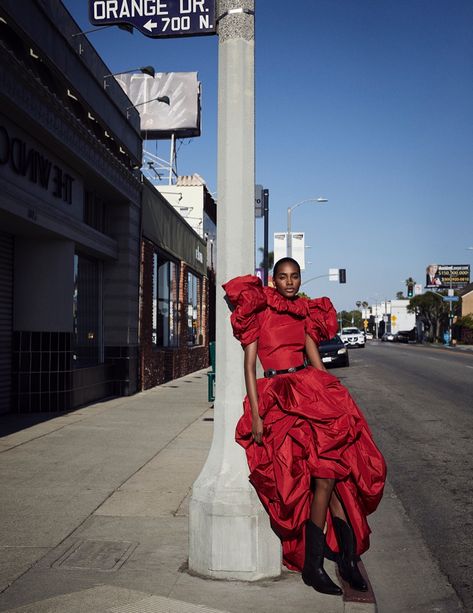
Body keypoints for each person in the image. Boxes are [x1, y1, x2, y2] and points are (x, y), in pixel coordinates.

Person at [223, 258, 386, 596]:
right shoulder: (259, 310)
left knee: (334, 476)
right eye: (283, 277)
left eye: (294, 276)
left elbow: (313, 357)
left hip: (310, 393)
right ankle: (315, 565)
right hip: (278, 400)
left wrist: (335, 395)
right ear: (272, 280)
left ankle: (345, 561)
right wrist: (255, 415)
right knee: (319, 479)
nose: (290, 282)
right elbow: (249, 366)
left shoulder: (305, 311)